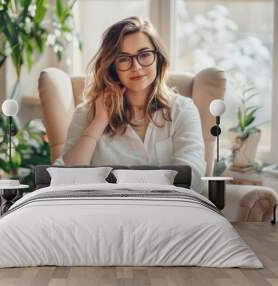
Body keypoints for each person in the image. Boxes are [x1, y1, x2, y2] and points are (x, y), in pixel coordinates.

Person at [55, 16, 206, 192]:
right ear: (112, 66)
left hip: (167, 210)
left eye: (144, 55)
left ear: (158, 58)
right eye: (124, 58)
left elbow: (192, 178)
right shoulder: (87, 113)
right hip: (106, 211)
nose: (136, 66)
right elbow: (63, 181)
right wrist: (98, 123)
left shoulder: (183, 110)